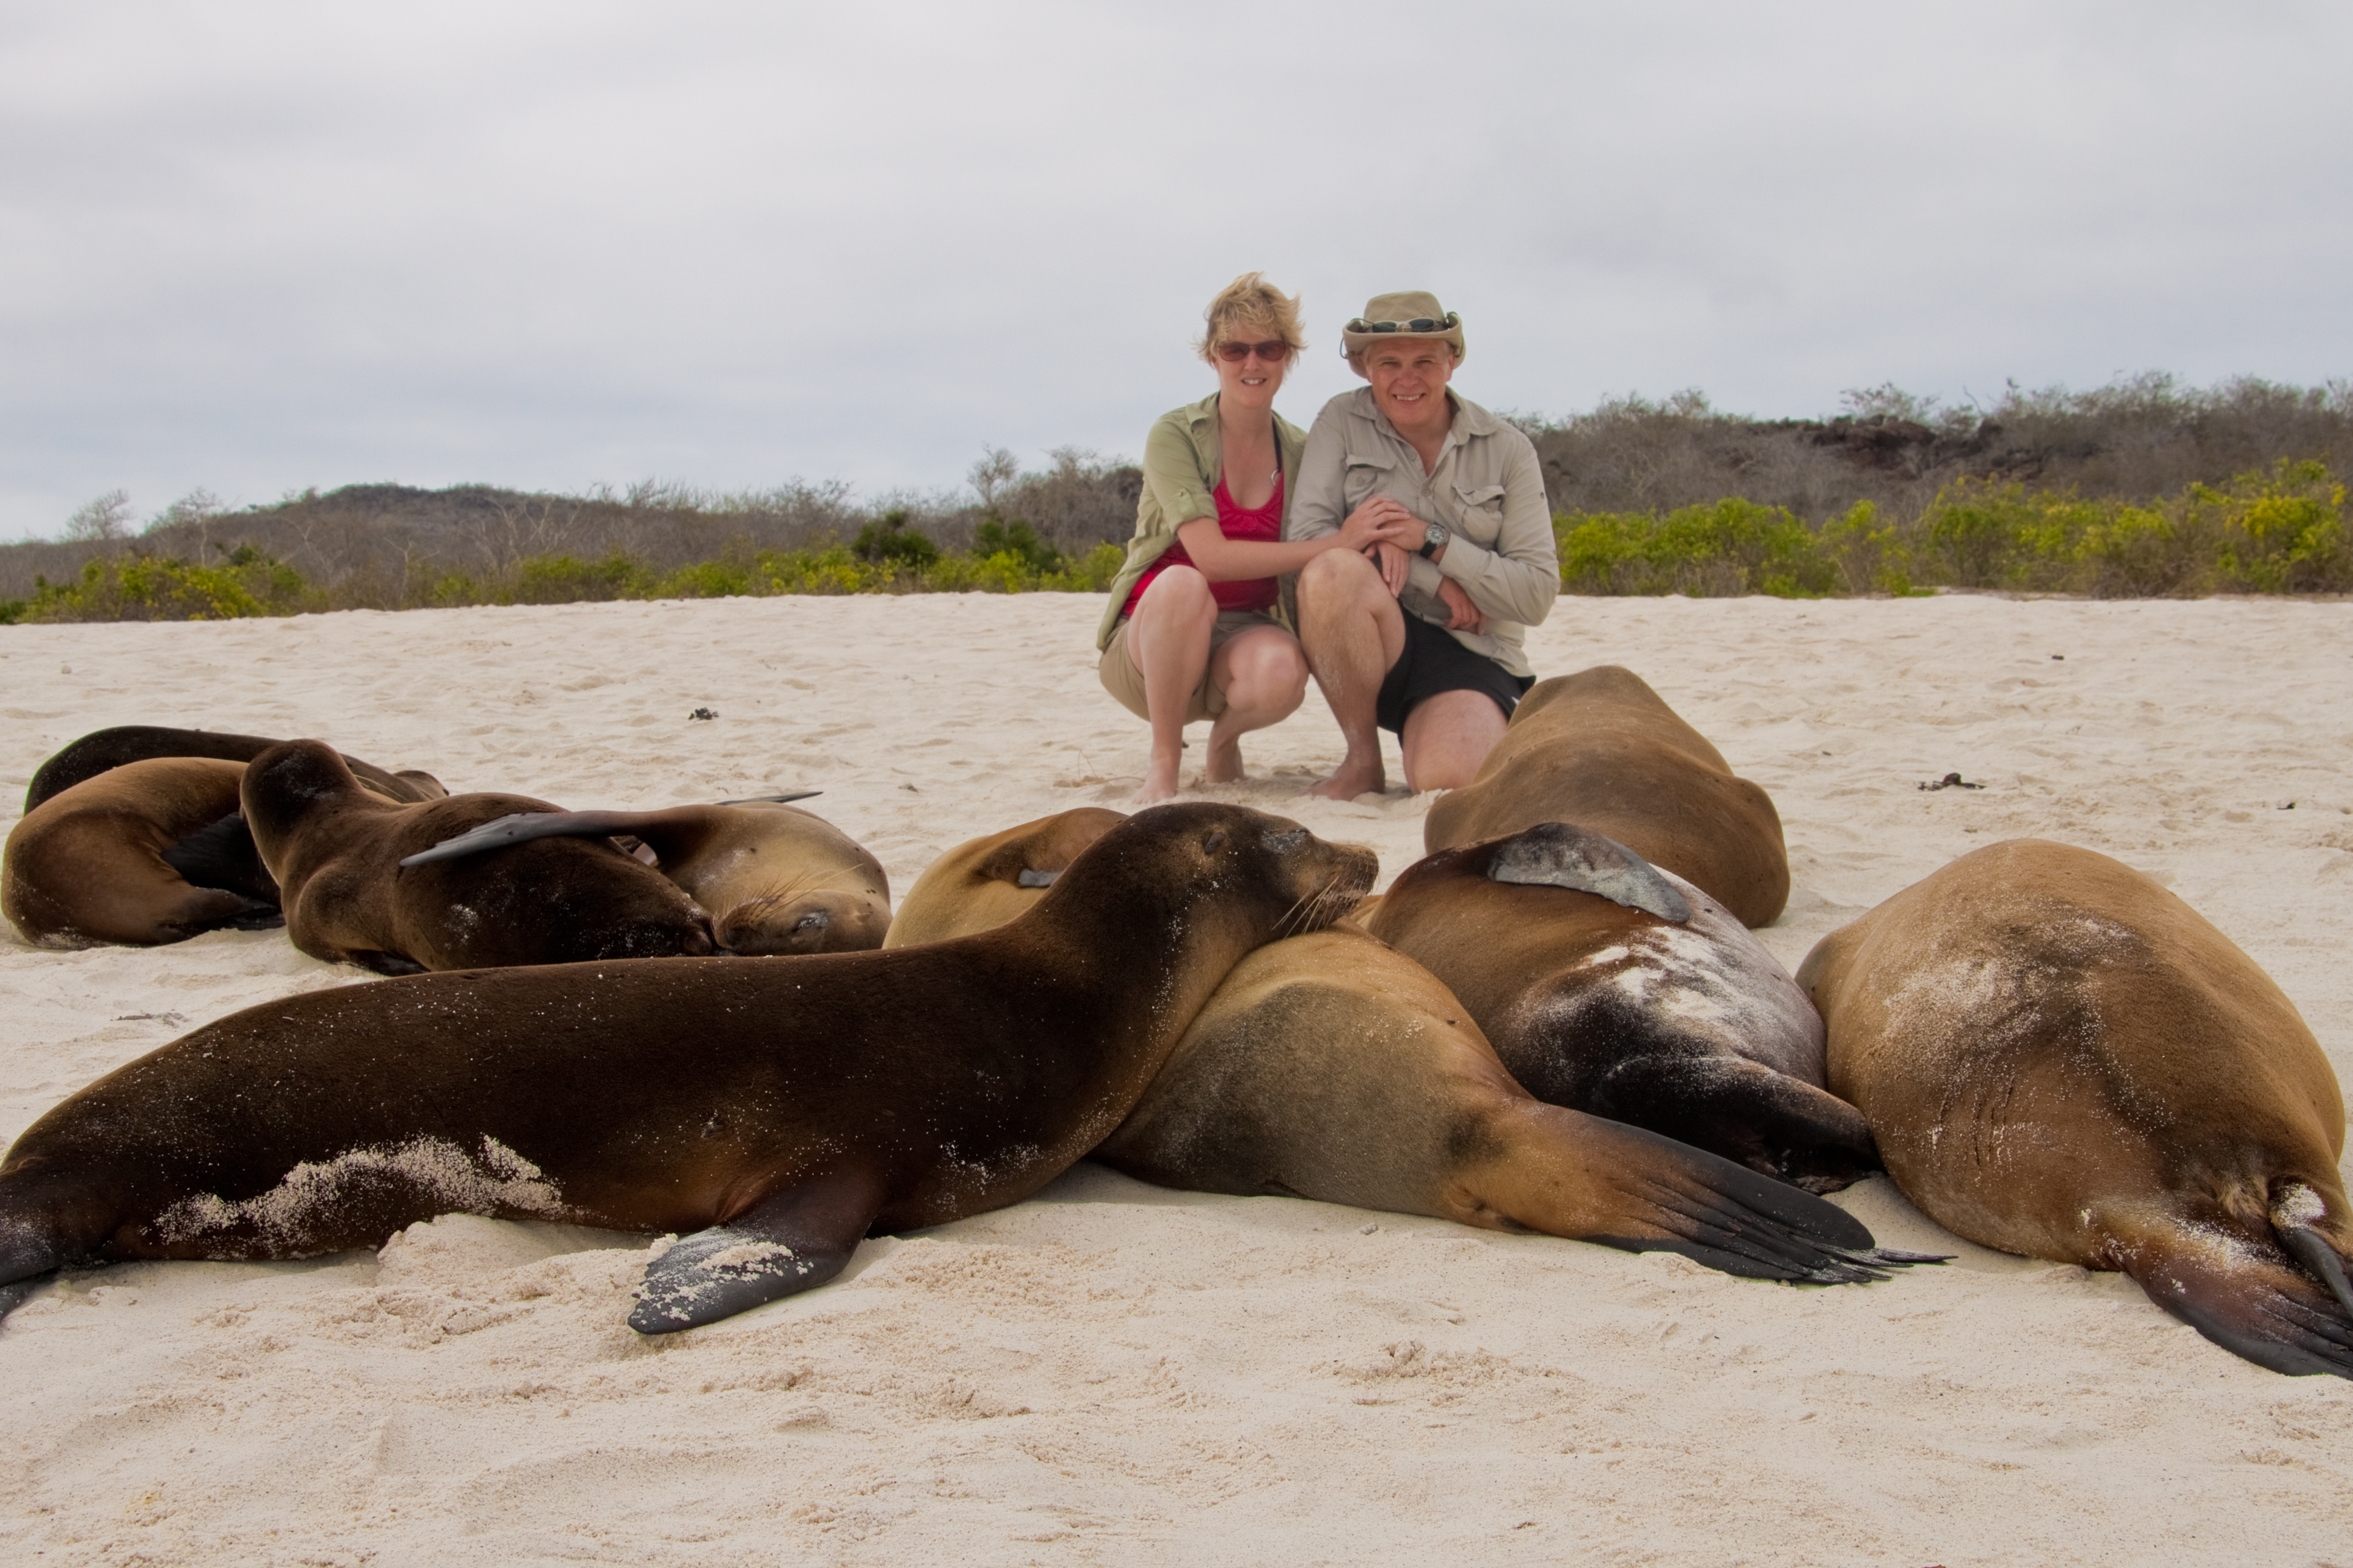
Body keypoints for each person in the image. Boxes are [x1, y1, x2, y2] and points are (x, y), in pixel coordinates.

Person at [1097, 273, 1419, 803]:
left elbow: (1356, 517)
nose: (1252, 364)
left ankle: (1224, 741)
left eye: (1268, 349)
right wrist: (1338, 542)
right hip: (1150, 643)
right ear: (1212, 357)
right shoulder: (1175, 435)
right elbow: (1212, 559)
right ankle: (1164, 761)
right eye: (1234, 349)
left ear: (1287, 357)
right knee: (1183, 582)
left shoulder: (1300, 450)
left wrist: (1385, 538)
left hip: (1243, 636)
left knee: (1281, 670)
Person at [1286, 291, 1559, 799]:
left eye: (1424, 362)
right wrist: (1421, 572)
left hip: (1472, 651)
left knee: (1451, 784)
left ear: (1451, 362)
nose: (1406, 379)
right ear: (1364, 368)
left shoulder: (1508, 449)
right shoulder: (1339, 422)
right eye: (1389, 362)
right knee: (1330, 573)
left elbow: (1536, 596)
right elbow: (1308, 542)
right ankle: (1362, 760)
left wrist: (1427, 541)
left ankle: (1450, 731)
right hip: (1371, 638)